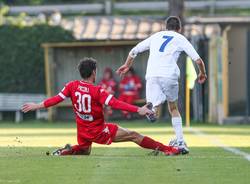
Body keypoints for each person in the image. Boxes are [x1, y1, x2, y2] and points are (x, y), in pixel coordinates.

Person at [22, 58, 182, 156]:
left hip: (82, 130)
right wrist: (138, 109)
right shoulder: (97, 90)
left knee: (85, 151)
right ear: (94, 72)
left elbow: (56, 99)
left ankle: (64, 151)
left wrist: (36, 105)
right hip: (98, 130)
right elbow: (115, 103)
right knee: (134, 135)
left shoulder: (71, 85)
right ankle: (169, 149)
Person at [116, 16, 207, 154]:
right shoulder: (180, 38)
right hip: (169, 75)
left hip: (152, 75)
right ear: (179, 29)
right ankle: (181, 142)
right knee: (173, 107)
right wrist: (202, 73)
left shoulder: (156, 36)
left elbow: (134, 51)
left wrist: (127, 65)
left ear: (165, 27)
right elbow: (198, 60)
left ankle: (152, 111)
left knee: (152, 106)